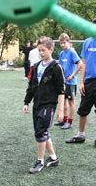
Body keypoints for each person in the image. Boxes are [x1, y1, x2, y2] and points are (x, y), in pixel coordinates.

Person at [66, 17, 96, 151]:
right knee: (83, 110)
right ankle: (80, 135)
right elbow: (84, 63)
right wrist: (82, 82)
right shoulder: (87, 42)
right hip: (88, 82)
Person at [23, 36, 65, 174]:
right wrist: (26, 102)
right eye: (39, 50)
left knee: (41, 132)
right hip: (37, 104)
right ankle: (53, 157)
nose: (41, 53)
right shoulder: (35, 67)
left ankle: (39, 161)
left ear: (51, 49)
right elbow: (31, 87)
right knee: (42, 132)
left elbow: (61, 91)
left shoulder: (56, 67)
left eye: (44, 50)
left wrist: (61, 111)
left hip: (49, 105)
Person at [55, 33, 83, 130]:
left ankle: (70, 122)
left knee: (71, 103)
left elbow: (80, 64)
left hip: (71, 82)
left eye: (64, 42)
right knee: (63, 102)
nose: (62, 45)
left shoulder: (72, 52)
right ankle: (64, 120)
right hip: (63, 82)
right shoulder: (61, 54)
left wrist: (72, 75)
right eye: (61, 43)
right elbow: (60, 67)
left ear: (68, 42)